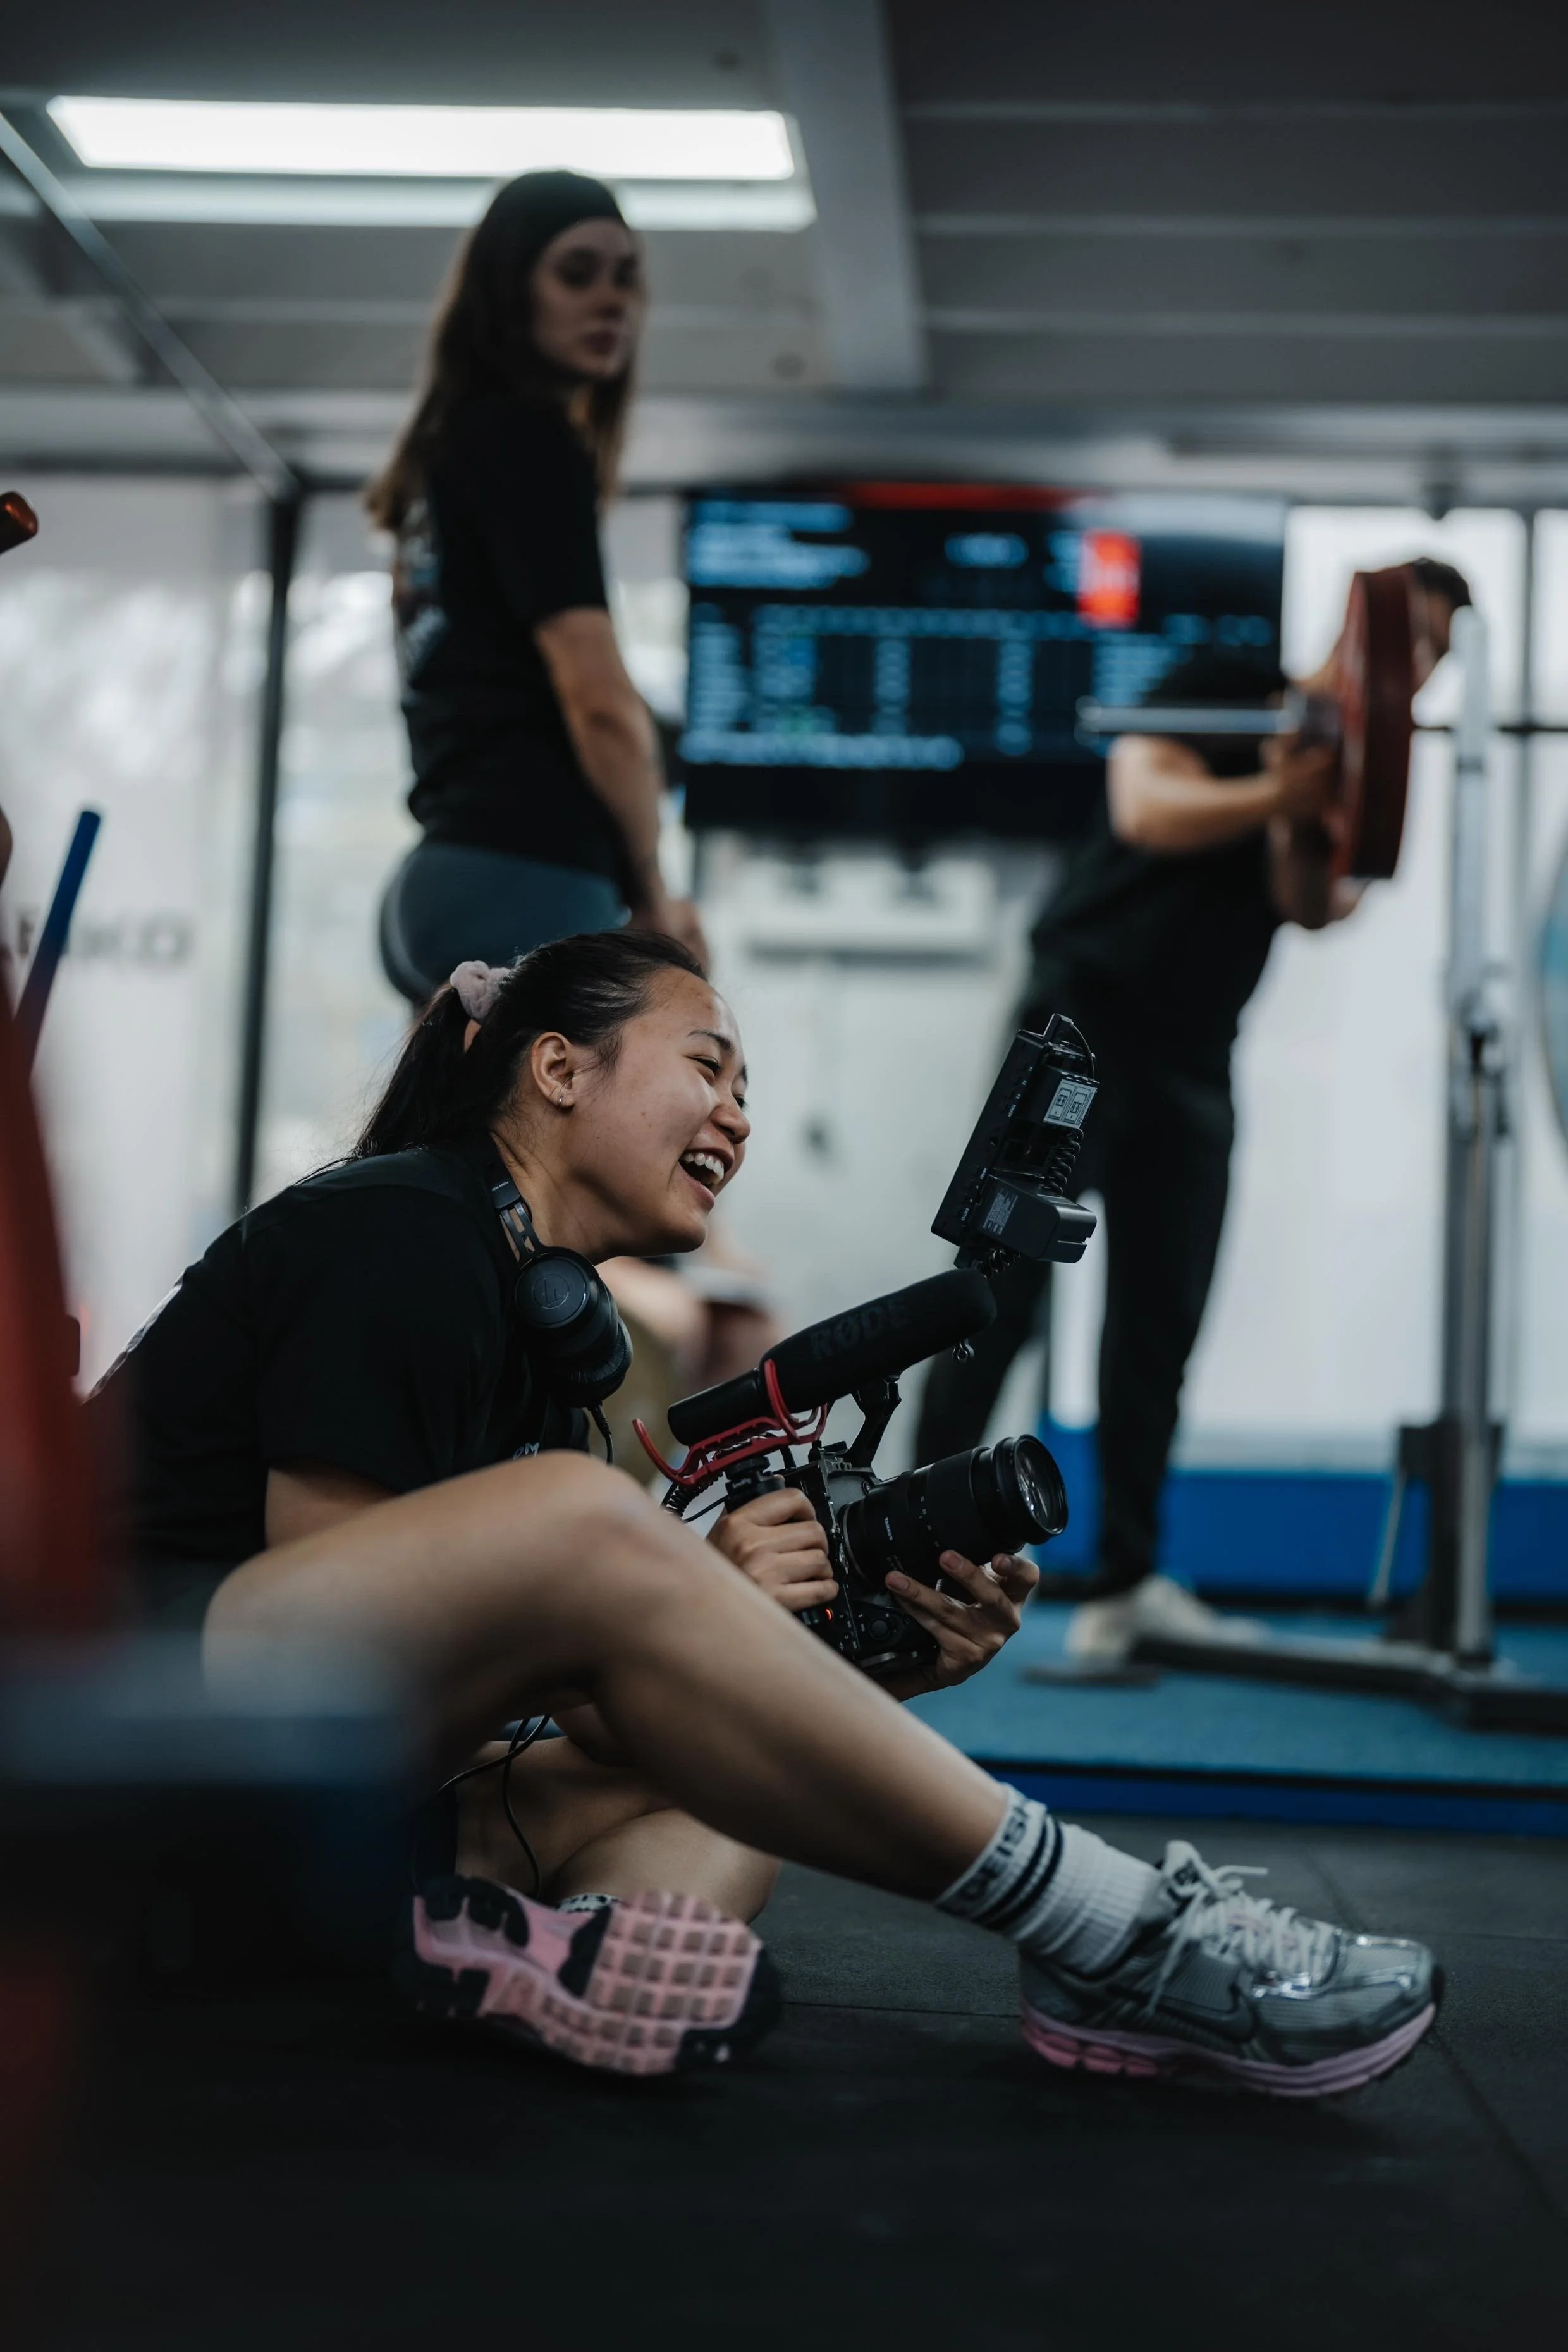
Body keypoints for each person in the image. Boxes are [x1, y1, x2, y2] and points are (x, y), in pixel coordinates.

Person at [97, 930, 1438, 2093]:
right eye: (708, 1068)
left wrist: (849, 1664)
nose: (738, 1117)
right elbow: (330, 1676)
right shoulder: (397, 1233)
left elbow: (545, 1710)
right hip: (126, 1751)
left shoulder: (549, 1347)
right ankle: (1114, 1933)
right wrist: (642, 1588)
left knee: (717, 1795)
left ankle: (587, 1956)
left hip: (291, 1840)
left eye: (747, 1091)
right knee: (582, 1520)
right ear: (558, 1068)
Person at [917, 560, 1473, 1663]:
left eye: (1439, 661)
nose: (1419, 676)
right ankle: (904, 1546)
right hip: (1080, 1023)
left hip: (1195, 1058)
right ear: (1362, 633)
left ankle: (1125, 1583)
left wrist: (1307, 802)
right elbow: (1147, 805)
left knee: (1157, 1326)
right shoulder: (1227, 681)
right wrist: (1278, 783)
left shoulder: (1344, 767)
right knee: (995, 1290)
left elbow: (1312, 907)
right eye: (1410, 645)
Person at [365, 172, 702, 1000]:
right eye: (577, 273)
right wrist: (654, 892)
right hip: (528, 878)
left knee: (445, 1132)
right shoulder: (526, 438)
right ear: (510, 291)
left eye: (626, 278)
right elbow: (595, 699)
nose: (611, 301)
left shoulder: (445, 455)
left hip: (439, 880)